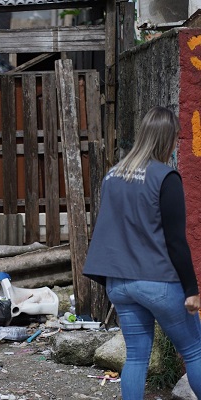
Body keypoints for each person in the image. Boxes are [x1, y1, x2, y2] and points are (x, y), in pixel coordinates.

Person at [83, 106, 201, 399]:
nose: (175, 143)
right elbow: (175, 240)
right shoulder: (166, 177)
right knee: (194, 349)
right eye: (175, 137)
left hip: (119, 284)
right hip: (157, 281)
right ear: (166, 139)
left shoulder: (112, 176)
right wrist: (191, 289)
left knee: (136, 357)